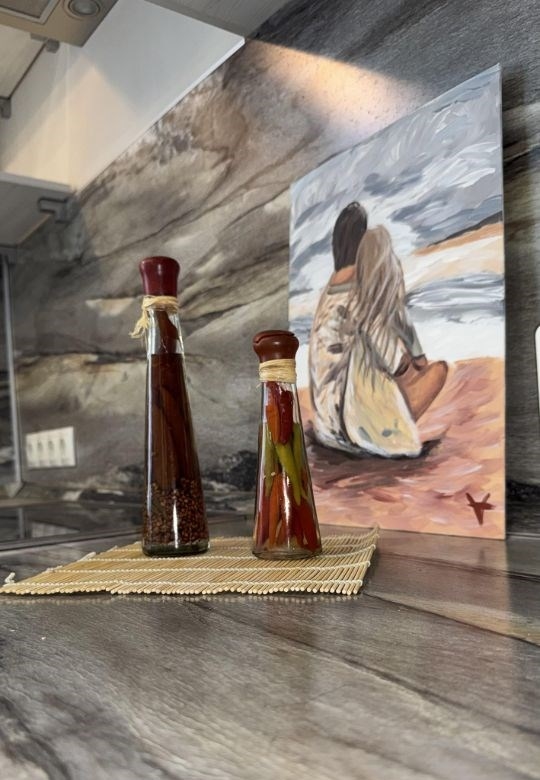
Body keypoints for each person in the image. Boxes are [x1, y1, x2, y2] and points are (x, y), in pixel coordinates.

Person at [308, 204, 447, 457]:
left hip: (327, 424)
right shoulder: (364, 289)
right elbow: (393, 361)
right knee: (438, 371)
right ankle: (393, 432)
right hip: (357, 429)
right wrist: (415, 361)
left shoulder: (328, 292)